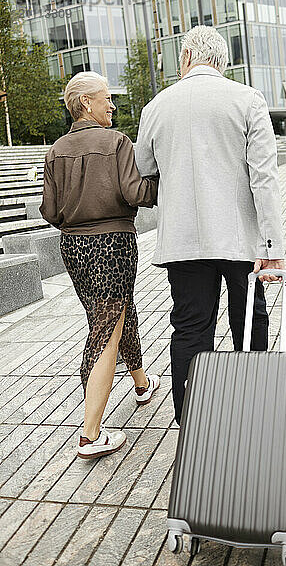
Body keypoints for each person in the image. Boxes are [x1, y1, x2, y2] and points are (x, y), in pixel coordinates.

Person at [135, 26, 285, 425]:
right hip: (239, 241)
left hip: (182, 242)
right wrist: (272, 248)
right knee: (249, 321)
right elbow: (264, 178)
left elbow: (143, 170)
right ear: (221, 61)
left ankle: (193, 422)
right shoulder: (247, 99)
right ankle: (253, 413)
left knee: (190, 330)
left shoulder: (157, 107)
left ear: (185, 58)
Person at [40, 71, 160, 458]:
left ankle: (141, 384)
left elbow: (49, 210)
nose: (112, 105)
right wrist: (161, 182)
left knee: (113, 313)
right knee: (106, 328)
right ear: (86, 103)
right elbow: (135, 192)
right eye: (106, 98)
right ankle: (90, 434)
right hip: (112, 243)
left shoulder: (56, 150)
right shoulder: (116, 142)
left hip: (73, 246)